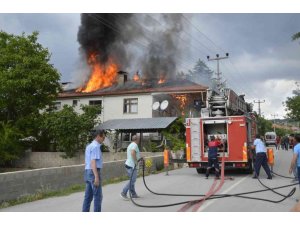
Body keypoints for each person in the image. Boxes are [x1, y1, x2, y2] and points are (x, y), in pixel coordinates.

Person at [82, 130, 105, 212]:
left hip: (87, 171)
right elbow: (93, 162)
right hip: (93, 172)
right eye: (103, 136)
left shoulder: (89, 146)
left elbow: (87, 161)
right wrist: (96, 177)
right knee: (98, 197)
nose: (104, 138)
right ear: (98, 136)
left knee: (88, 197)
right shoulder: (95, 147)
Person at [120, 135, 141, 200]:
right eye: (139, 139)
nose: (139, 140)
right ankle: (123, 193)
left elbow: (134, 153)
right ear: (137, 139)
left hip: (128, 164)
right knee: (132, 180)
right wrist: (136, 162)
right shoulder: (135, 145)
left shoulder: (130, 144)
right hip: (132, 165)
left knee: (132, 180)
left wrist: (140, 158)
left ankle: (133, 194)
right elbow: (132, 153)